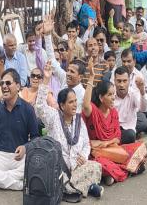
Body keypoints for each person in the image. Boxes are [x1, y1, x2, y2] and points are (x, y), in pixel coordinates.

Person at [35, 62, 104, 199]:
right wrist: (46, 80)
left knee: (96, 166)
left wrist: (83, 157)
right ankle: (85, 187)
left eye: (75, 101)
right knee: (56, 176)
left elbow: (86, 143)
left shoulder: (79, 120)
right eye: (71, 102)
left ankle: (72, 188)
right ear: (61, 105)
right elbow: (40, 107)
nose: (74, 105)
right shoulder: (53, 117)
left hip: (77, 166)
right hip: (59, 166)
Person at [82, 60, 147, 186]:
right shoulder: (94, 112)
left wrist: (104, 143)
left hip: (109, 148)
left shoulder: (113, 113)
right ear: (101, 98)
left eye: (113, 94)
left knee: (139, 148)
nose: (113, 97)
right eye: (110, 95)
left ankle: (111, 174)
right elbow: (85, 105)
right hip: (96, 153)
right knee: (102, 162)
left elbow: (117, 138)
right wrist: (91, 77)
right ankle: (116, 172)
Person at [0, 69, 39, 190]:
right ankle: (19, 185)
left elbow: (36, 137)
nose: (4, 86)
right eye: (2, 84)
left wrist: (25, 147)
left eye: (8, 83)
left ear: (18, 86)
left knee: (35, 165)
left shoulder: (28, 109)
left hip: (19, 158)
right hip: (0, 156)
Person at [113, 66, 147, 144]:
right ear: (114, 81)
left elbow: (144, 109)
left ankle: (113, 143)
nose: (121, 85)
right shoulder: (110, 94)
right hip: (113, 130)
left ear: (129, 81)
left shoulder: (134, 93)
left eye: (124, 81)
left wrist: (142, 91)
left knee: (131, 134)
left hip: (127, 130)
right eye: (119, 81)